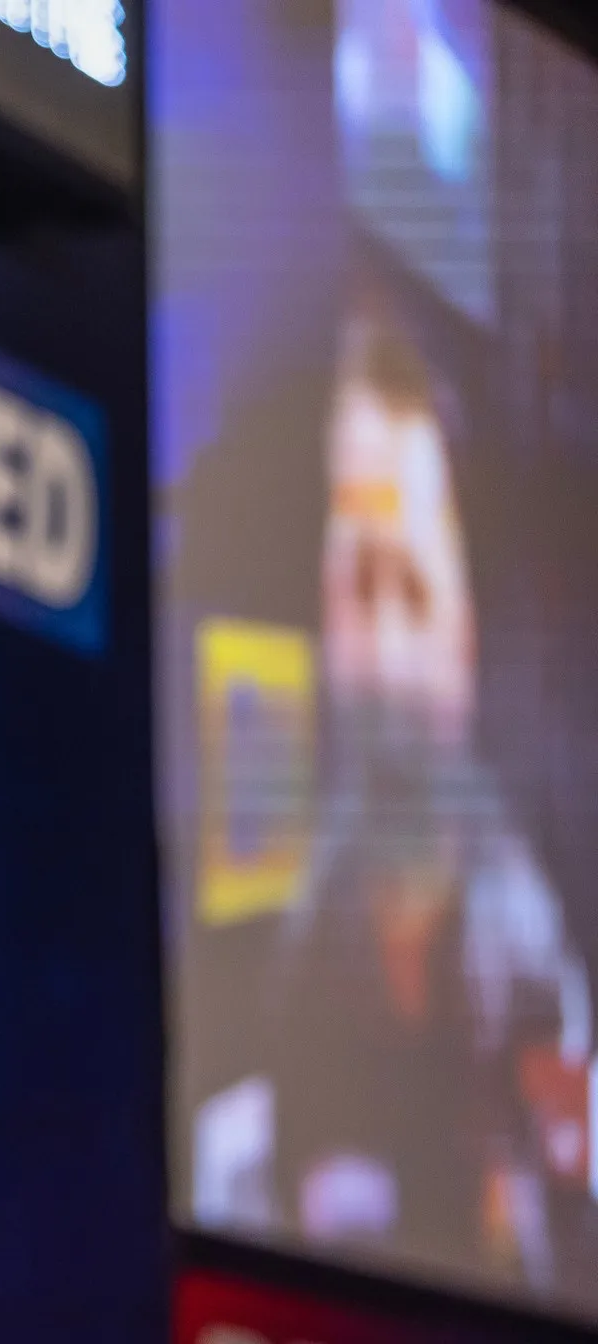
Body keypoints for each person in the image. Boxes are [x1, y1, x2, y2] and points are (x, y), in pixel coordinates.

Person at [257, 297, 592, 1287]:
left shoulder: (547, 950)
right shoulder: (296, 941)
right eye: (357, 588)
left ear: (469, 628)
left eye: (412, 588)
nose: (387, 660)